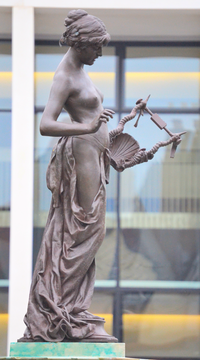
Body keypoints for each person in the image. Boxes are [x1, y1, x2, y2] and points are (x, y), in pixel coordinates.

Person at [19, 9, 117, 343]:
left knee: (88, 231)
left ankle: (72, 309)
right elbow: (46, 123)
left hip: (95, 153)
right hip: (82, 154)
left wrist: (109, 132)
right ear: (81, 43)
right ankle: (60, 312)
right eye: (97, 47)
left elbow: (92, 118)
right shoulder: (64, 75)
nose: (100, 54)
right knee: (85, 229)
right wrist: (88, 126)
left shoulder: (79, 68)